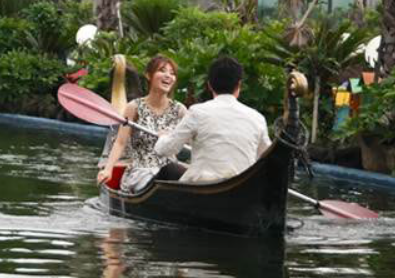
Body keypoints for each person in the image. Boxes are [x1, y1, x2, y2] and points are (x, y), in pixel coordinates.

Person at [153, 55, 272, 185]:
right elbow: (268, 158)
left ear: (209, 85)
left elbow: (165, 150)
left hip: (202, 189)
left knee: (168, 169)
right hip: (242, 190)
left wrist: (162, 137)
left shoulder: (197, 112)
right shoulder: (257, 118)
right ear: (239, 85)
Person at [97, 54, 187, 194]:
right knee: (173, 170)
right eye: (162, 70)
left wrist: (172, 138)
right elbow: (120, 142)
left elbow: (193, 141)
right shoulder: (134, 107)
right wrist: (108, 169)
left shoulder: (180, 110)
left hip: (171, 170)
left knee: (182, 171)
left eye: (172, 73)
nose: (168, 76)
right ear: (148, 75)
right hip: (141, 172)